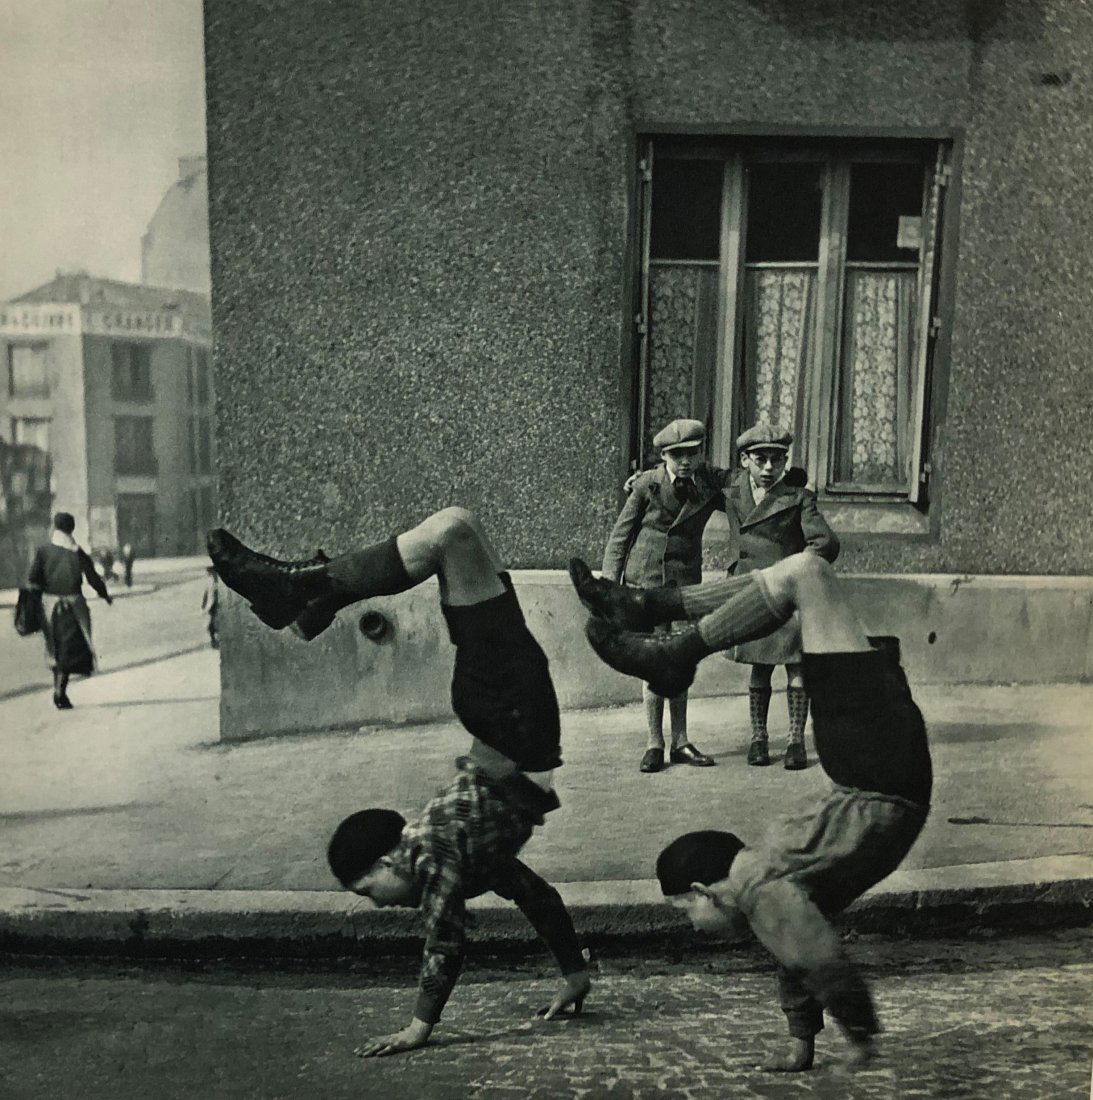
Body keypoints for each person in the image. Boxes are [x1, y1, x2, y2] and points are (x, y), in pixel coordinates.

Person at [206, 507, 591, 1057]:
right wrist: (574, 973)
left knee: (452, 534)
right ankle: (311, 597)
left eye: (368, 890)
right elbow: (537, 896)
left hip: (510, 713)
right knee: (457, 530)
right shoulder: (468, 856)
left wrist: (419, 1027)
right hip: (512, 715)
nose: (378, 906)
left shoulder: (434, 857)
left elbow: (444, 943)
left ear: (389, 860)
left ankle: (307, 593)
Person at [569, 551, 931, 1071]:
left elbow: (811, 954)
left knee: (805, 576)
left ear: (705, 891)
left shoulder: (759, 886)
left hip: (879, 767)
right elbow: (798, 951)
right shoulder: (765, 884)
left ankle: (663, 636)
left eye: (686, 910)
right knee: (806, 575)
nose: (693, 926)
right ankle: (653, 616)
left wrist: (854, 1035)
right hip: (873, 764)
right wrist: (811, 1039)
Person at [600, 418, 729, 773]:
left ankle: (681, 742)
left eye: (692, 453)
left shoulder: (707, 485)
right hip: (647, 584)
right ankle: (654, 743)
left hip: (684, 586)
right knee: (654, 661)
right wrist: (609, 587)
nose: (685, 461)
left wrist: (789, 483)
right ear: (664, 456)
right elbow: (620, 537)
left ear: (701, 454)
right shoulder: (647, 484)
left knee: (682, 658)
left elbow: (742, 488)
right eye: (677, 455)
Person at [724, 423, 839, 770]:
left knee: (795, 667)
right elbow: (692, 479)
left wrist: (797, 570)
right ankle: (758, 739)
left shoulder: (798, 497)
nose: (768, 468)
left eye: (777, 460)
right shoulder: (732, 489)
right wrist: (640, 480)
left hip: (787, 594)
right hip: (752, 590)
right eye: (760, 459)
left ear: (785, 461)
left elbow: (825, 542)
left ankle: (794, 741)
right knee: (759, 667)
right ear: (745, 460)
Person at [26, 511, 113, 709]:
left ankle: (59, 690)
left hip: (50, 607)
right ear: (71, 529)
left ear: (55, 528)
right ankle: (60, 692)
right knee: (70, 649)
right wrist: (105, 595)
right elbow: (93, 578)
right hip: (74, 607)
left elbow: (33, 579)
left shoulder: (43, 551)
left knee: (55, 649)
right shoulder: (77, 552)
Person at [201, 566, 220, 648]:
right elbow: (206, 593)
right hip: (212, 605)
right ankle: (213, 640)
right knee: (211, 624)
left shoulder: (220, 582)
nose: (209, 574)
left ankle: (216, 640)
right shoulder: (210, 581)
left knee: (216, 623)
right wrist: (204, 605)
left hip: (219, 605)